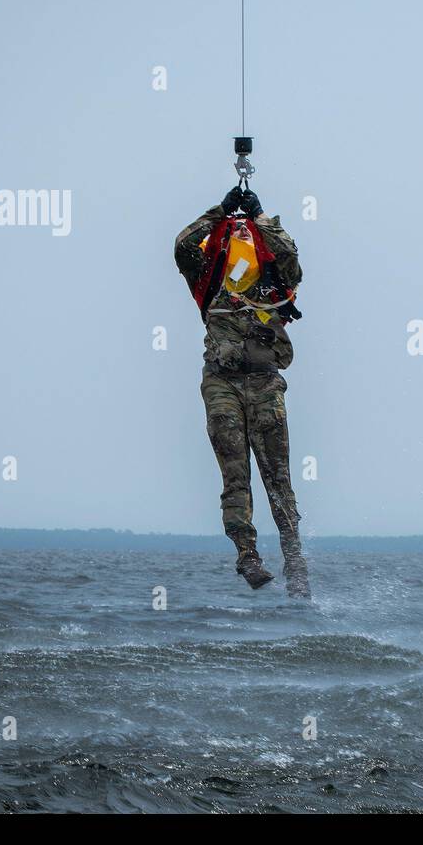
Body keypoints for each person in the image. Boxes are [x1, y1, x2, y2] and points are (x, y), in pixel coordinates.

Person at [174, 185, 309, 598]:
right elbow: (182, 246)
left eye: (249, 236)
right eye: (238, 237)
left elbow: (292, 259)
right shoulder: (210, 280)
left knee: (278, 478)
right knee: (235, 473)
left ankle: (295, 561)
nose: (243, 239)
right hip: (223, 383)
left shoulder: (274, 281)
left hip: (265, 382)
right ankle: (247, 555)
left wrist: (262, 217)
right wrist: (219, 211)